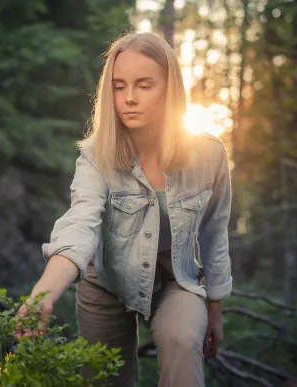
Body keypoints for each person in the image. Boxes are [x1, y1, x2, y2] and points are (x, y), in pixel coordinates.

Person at [15, 31, 233, 387]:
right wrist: (42, 296)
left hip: (177, 278)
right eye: (119, 86)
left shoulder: (208, 155)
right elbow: (78, 228)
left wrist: (216, 309)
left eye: (144, 85)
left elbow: (214, 233)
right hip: (107, 282)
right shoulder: (96, 155)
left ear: (170, 89)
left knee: (181, 339)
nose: (129, 98)